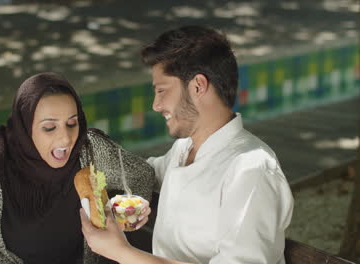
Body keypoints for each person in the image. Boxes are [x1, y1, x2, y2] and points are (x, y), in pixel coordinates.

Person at [80, 25, 294, 264]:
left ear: (197, 86)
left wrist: (122, 252)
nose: (156, 105)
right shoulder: (185, 149)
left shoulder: (251, 170)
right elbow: (143, 173)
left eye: (162, 91)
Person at [0, 72, 155, 264]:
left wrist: (124, 218)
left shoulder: (89, 149)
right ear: (26, 127)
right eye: (49, 127)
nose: (65, 139)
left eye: (72, 123)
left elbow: (139, 173)